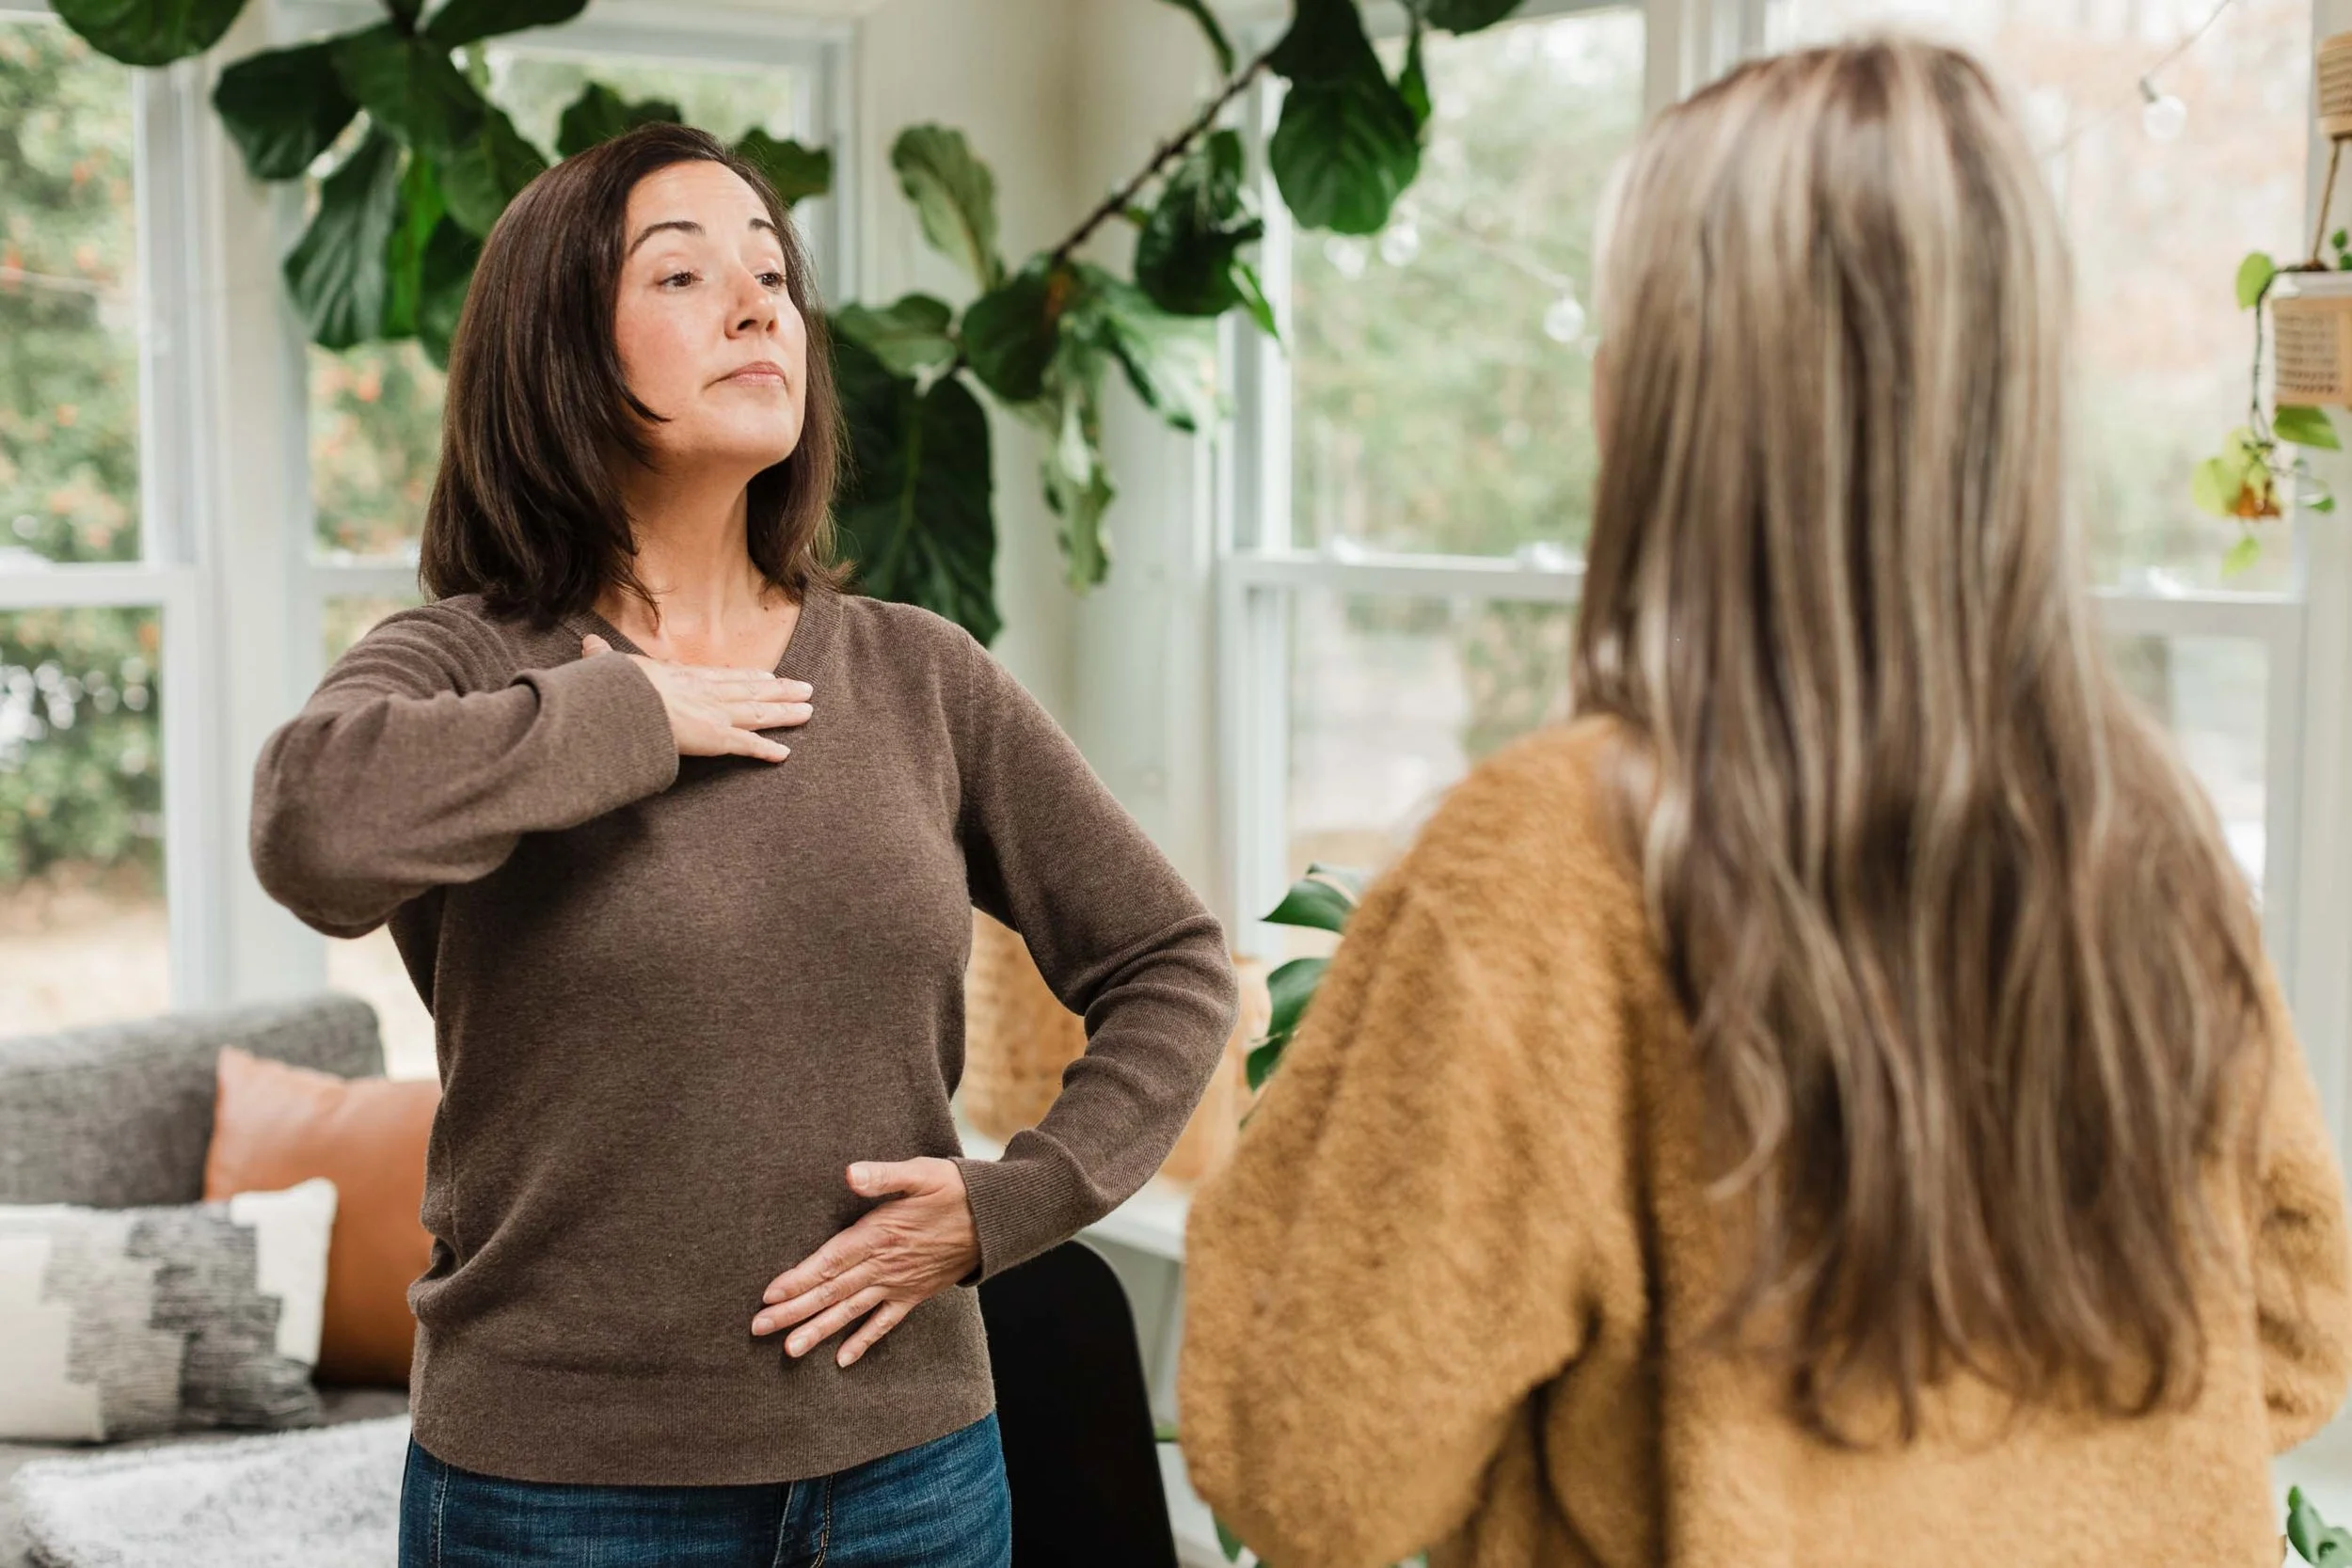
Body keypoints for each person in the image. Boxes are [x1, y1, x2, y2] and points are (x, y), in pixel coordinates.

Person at [1178, 38, 2352, 1568]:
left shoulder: (1551, 862)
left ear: (1659, 399)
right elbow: (2296, 1326)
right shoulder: (2144, 831)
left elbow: (1305, 1464)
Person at [249, 122, 1237, 1568]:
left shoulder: (917, 671)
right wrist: (628, 711)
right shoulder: (463, 663)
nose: (759, 302)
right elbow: (310, 827)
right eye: (684, 272)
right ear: (561, 348)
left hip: (915, 1478)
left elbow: (1171, 960)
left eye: (772, 273)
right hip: (557, 1497)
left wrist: (1011, 1201)